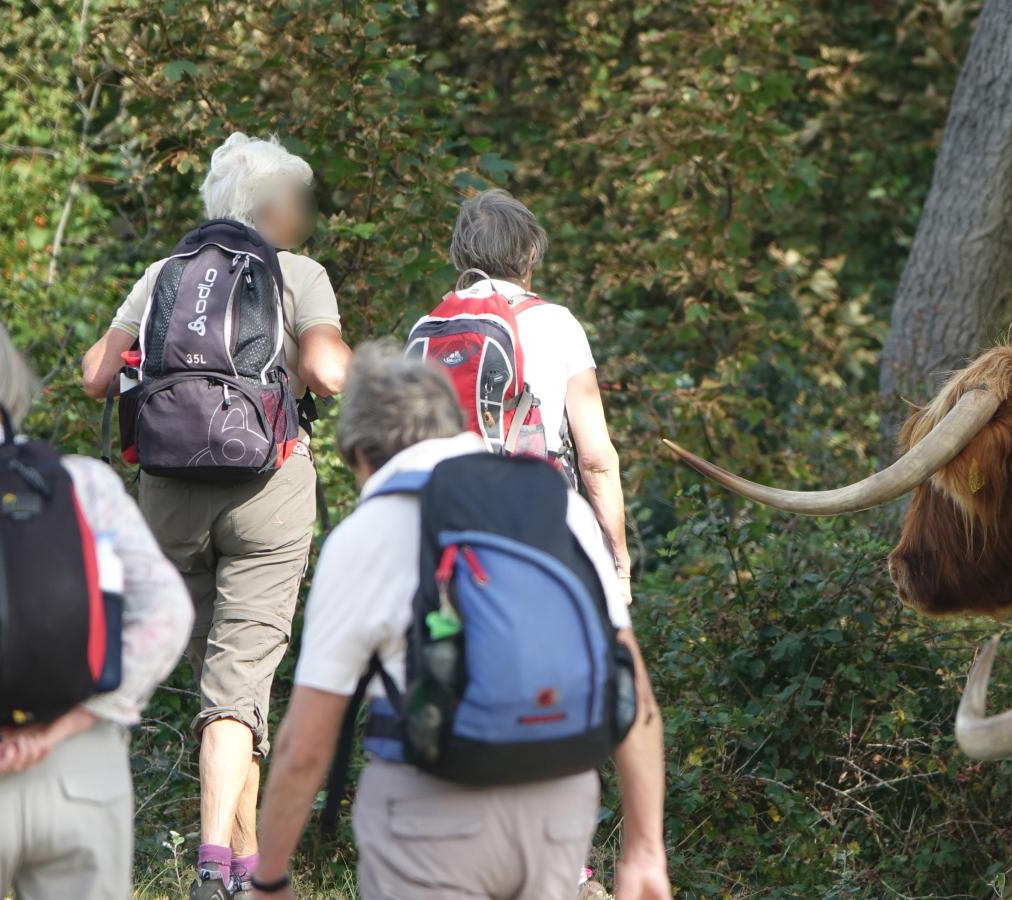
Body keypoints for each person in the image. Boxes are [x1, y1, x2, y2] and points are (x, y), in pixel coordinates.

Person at [250, 345, 671, 900]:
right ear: (451, 422)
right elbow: (632, 690)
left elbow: (306, 743)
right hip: (561, 803)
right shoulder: (557, 506)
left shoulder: (369, 530)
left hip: (430, 813)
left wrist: (271, 874)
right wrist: (644, 847)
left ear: (359, 453)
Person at [80, 133, 352, 898]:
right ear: (270, 207)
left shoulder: (166, 273)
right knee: (238, 693)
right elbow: (329, 373)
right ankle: (211, 867)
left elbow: (97, 376)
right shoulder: (297, 273)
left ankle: (255, 873)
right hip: (266, 493)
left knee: (231, 691)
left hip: (167, 496)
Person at [0, 286, 193, 899]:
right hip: (80, 781)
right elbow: (167, 611)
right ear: (4, 369)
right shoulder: (79, 482)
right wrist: (71, 725)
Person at [446, 190, 634, 605]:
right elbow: (596, 460)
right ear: (530, 253)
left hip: (451, 525)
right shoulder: (557, 324)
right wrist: (618, 562)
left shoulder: (430, 327)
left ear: (461, 256)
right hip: (538, 521)